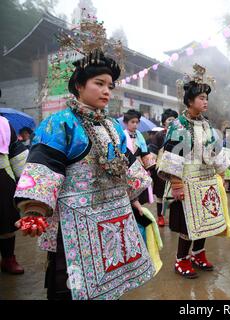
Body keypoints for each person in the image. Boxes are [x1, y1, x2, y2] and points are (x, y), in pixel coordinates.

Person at [14, 49, 156, 300]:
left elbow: (128, 164)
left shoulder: (113, 126)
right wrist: (35, 209)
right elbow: (45, 165)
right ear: (79, 85)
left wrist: (134, 197)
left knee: (112, 278)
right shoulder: (59, 123)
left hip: (114, 215)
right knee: (71, 284)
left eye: (110, 86)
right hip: (75, 220)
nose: (106, 91)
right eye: (99, 83)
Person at [158, 64, 230, 279]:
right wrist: (177, 184)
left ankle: (198, 254)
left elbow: (215, 149)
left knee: (206, 220)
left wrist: (222, 173)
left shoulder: (206, 125)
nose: (205, 101)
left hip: (206, 179)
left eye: (206, 98)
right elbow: (172, 154)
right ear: (189, 101)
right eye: (201, 98)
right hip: (187, 181)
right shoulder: (178, 125)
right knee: (188, 224)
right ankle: (181, 260)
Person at [0, 116, 29, 274]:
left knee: (6, 221)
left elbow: (16, 152)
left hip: (2, 180)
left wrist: (27, 184)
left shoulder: (3, 124)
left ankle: (8, 259)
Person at [148, 108, 178, 226]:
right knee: (160, 195)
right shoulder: (159, 135)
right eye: (169, 119)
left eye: (174, 120)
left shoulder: (181, 135)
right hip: (161, 169)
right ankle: (160, 216)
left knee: (173, 194)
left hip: (176, 169)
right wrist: (151, 167)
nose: (172, 122)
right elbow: (153, 151)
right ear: (164, 122)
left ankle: (172, 217)